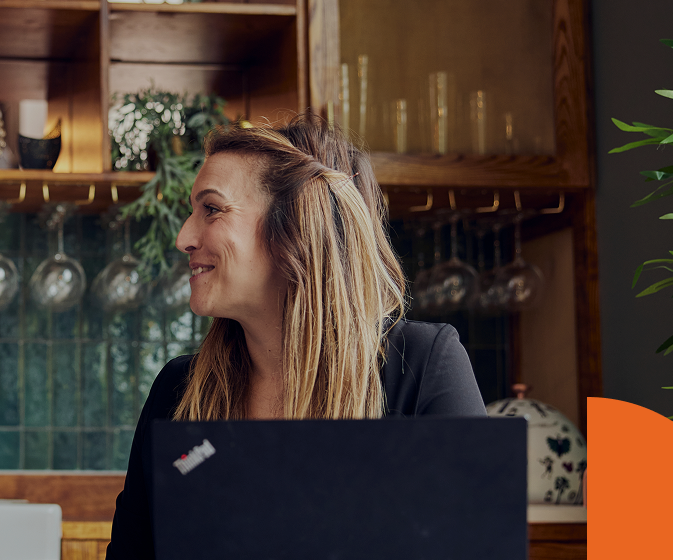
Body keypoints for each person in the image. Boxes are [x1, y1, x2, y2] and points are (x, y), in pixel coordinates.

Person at [105, 113, 486, 559]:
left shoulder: (421, 366)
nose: (184, 237)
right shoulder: (177, 389)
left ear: (296, 229)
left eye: (211, 208)